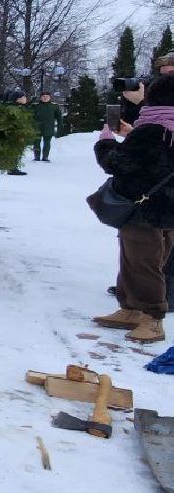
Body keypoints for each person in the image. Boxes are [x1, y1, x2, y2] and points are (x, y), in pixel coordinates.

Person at [91, 75, 174, 344]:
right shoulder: (162, 128)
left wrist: (105, 141)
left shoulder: (152, 131)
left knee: (142, 262)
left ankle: (152, 318)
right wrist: (131, 135)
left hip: (144, 210)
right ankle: (131, 308)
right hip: (167, 209)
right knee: (144, 259)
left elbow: (117, 162)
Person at [31, 91, 64, 162]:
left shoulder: (54, 106)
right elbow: (30, 116)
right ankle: (36, 157)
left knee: (47, 143)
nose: (45, 98)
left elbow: (59, 118)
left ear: (50, 97)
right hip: (37, 128)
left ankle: (45, 157)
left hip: (48, 127)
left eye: (47, 97)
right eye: (43, 96)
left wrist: (60, 127)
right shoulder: (35, 106)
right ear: (40, 98)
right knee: (36, 142)